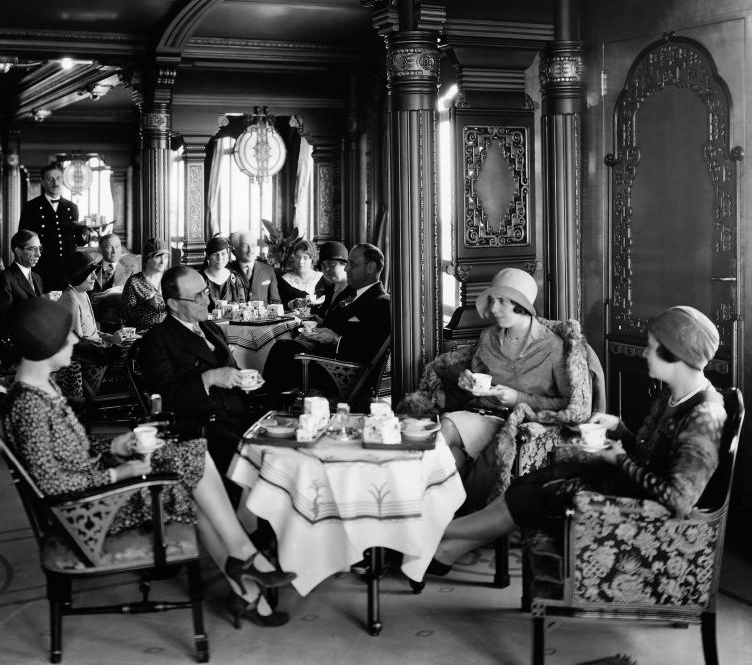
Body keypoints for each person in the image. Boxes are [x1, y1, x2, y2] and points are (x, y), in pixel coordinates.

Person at [2, 297, 295, 626]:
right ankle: (248, 564)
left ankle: (247, 589)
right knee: (190, 462)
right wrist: (118, 472)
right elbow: (54, 485)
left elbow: (72, 454)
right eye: (65, 335)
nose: (73, 340)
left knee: (190, 456)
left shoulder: (41, 388)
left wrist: (115, 444)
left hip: (93, 494)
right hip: (87, 512)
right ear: (45, 343)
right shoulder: (29, 405)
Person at [427, 305, 726, 575]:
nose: (645, 354)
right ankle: (447, 549)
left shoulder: (705, 416)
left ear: (674, 355)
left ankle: (438, 534)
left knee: (533, 497)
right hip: (624, 484)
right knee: (531, 481)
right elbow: (650, 454)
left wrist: (619, 459)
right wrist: (619, 429)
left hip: (638, 511)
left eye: (651, 348)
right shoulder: (671, 396)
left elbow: (678, 498)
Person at [435, 269, 581, 476]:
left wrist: (517, 399)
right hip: (484, 416)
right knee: (449, 453)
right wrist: (468, 384)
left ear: (521, 305)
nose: (493, 308)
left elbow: (568, 404)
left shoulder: (553, 347)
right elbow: (479, 386)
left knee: (447, 430)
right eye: (492, 300)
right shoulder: (488, 337)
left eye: (502, 301)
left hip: (519, 426)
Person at [138, 265, 261, 479]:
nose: (208, 301)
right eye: (197, 297)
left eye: (205, 292)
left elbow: (230, 370)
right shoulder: (158, 340)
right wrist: (208, 379)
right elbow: (163, 399)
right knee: (257, 460)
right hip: (202, 426)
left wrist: (245, 380)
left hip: (239, 412)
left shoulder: (211, 328)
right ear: (174, 304)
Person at [261, 243, 391, 396]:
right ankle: (270, 398)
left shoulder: (381, 303)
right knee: (284, 347)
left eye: (352, 265)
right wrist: (323, 325)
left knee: (284, 349)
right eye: (347, 263)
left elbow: (369, 350)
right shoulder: (355, 295)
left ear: (370, 268)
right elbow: (345, 326)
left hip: (342, 371)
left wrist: (335, 339)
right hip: (327, 358)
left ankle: (266, 400)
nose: (347, 268)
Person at [18, 163, 89, 292]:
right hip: (42, 268)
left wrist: (85, 232)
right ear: (43, 182)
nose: (55, 182)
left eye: (58, 178)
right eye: (50, 179)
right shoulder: (31, 207)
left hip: (67, 269)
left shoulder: (72, 207)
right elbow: (22, 238)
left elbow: (78, 241)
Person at [57, 250, 123, 382]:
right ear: (78, 276)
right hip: (92, 365)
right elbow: (78, 346)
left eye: (94, 272)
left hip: (98, 351)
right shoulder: (71, 300)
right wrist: (114, 346)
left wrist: (108, 337)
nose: (94, 277)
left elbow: (90, 331)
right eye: (90, 273)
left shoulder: (82, 293)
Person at [0, 229, 45, 333]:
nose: (39, 254)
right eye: (33, 249)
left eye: (39, 248)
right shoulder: (4, 279)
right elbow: (3, 321)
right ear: (18, 251)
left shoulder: (37, 278)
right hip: (20, 341)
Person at [121, 237, 170, 331]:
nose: (163, 262)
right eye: (159, 256)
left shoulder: (170, 279)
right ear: (148, 258)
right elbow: (126, 316)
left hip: (168, 331)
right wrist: (148, 304)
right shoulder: (134, 282)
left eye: (166, 257)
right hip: (142, 333)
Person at [90, 232, 134, 330]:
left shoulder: (129, 274)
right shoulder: (91, 271)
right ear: (101, 249)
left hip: (117, 328)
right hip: (92, 326)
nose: (115, 251)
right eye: (109, 247)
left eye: (117, 246)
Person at [229, 231, 279, 304]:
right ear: (236, 248)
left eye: (253, 245)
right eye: (245, 246)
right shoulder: (227, 270)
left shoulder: (268, 270)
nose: (251, 250)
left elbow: (275, 301)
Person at [200, 235, 247, 311]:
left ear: (228, 254)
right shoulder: (200, 279)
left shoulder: (235, 278)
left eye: (223, 254)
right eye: (215, 254)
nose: (220, 258)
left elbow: (242, 305)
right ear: (208, 256)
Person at [276, 239, 327, 309]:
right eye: (297, 257)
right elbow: (281, 306)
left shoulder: (322, 278)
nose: (300, 261)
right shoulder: (284, 280)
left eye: (305, 258)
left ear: (312, 259)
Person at [312, 240, 348, 318]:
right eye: (323, 265)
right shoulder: (329, 289)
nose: (327, 269)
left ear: (345, 265)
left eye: (332, 264)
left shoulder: (354, 291)